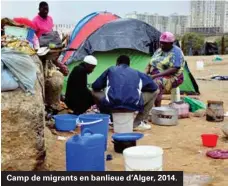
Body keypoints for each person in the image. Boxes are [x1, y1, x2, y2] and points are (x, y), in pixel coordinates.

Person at [92, 55, 159, 131]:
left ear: (117, 63)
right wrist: (138, 88)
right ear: (129, 65)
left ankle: (108, 119)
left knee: (94, 92)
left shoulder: (111, 70)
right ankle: (137, 123)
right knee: (156, 91)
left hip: (112, 105)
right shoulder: (136, 72)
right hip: (133, 105)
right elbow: (153, 87)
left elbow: (95, 86)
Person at [145, 32, 185, 107]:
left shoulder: (176, 52)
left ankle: (158, 110)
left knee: (156, 83)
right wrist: (145, 74)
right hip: (155, 74)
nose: (162, 45)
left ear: (171, 43)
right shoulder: (159, 51)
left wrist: (156, 75)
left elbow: (175, 68)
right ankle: (146, 108)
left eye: (165, 43)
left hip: (172, 76)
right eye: (161, 43)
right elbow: (150, 63)